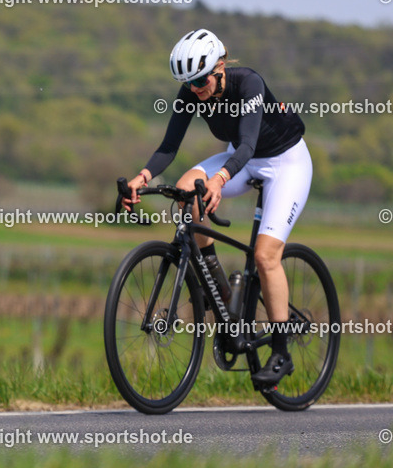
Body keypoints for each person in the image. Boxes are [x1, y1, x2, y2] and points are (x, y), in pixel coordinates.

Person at [123, 29, 312, 389]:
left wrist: (221, 179)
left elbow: (247, 143)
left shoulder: (249, 83)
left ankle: (282, 352)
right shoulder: (192, 91)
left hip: (285, 162)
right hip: (242, 159)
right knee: (184, 190)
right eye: (187, 83)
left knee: (266, 256)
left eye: (200, 80)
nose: (195, 89)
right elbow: (168, 146)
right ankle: (221, 293)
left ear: (220, 67)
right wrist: (142, 175)